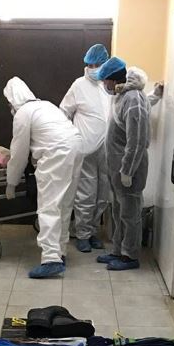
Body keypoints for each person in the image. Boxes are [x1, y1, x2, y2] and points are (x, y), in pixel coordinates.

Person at [4, 77, 83, 279]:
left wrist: (11, 183)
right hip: (76, 146)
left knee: (49, 206)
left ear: (13, 100)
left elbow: (19, 153)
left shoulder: (23, 113)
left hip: (56, 153)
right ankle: (60, 252)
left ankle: (50, 259)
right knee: (64, 204)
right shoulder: (45, 105)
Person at [95, 56, 153, 271]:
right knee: (119, 212)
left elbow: (137, 140)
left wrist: (127, 171)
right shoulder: (122, 95)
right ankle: (118, 250)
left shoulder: (132, 98)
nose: (104, 85)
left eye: (105, 81)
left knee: (130, 214)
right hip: (117, 168)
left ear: (113, 79)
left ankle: (130, 256)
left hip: (129, 170)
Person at [60, 43, 111, 253]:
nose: (93, 68)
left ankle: (93, 232)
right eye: (90, 65)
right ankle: (82, 234)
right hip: (85, 148)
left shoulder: (109, 85)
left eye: (97, 64)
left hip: (107, 150)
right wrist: (68, 139)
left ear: (105, 63)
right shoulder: (78, 85)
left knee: (103, 195)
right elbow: (63, 112)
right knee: (86, 195)